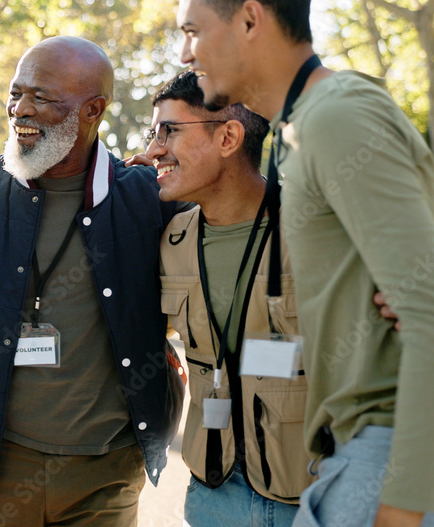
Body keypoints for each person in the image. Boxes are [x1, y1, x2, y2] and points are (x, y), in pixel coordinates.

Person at [175, 0, 434, 525]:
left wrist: (404, 502)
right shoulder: (297, 132)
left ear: (250, 19)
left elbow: (427, 308)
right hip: (351, 454)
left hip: (387, 454)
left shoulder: (338, 114)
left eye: (192, 31)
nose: (185, 53)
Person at [0, 36, 185, 526]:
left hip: (107, 469)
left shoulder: (145, 198)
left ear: (94, 109)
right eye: (16, 93)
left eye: (43, 98)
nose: (20, 110)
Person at [147, 70, 313, 525]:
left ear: (229, 138)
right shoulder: (171, 241)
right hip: (212, 494)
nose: (153, 149)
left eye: (169, 131)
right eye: (153, 133)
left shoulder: (317, 232)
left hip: (313, 495)